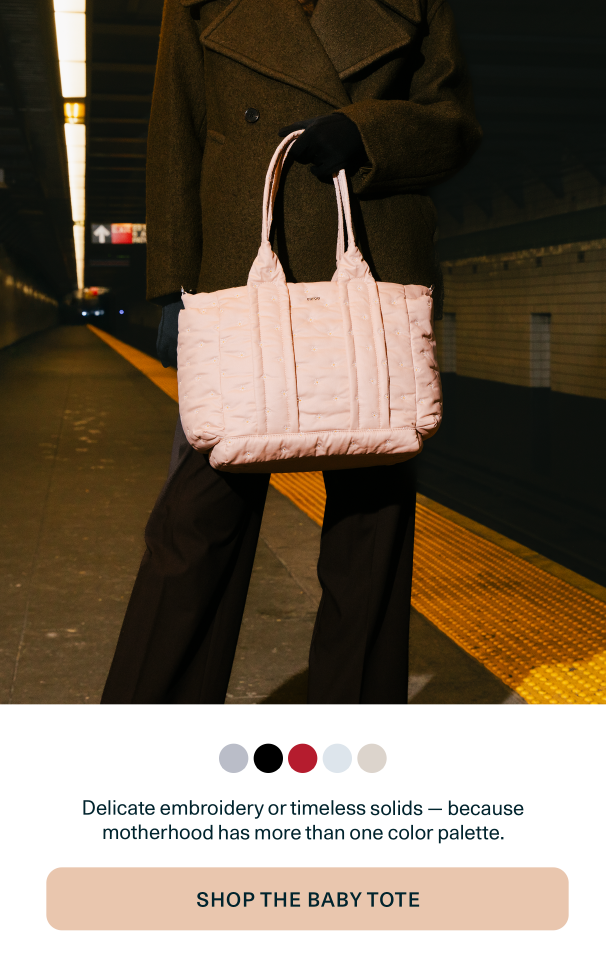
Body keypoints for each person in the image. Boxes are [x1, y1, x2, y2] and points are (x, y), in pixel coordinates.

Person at [101, 0, 481, 705]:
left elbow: (455, 122)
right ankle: (147, 736)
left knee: (371, 532)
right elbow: (175, 132)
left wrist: (367, 133)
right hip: (242, 273)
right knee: (193, 525)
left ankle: (357, 740)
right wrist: (175, 289)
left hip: (371, 264)